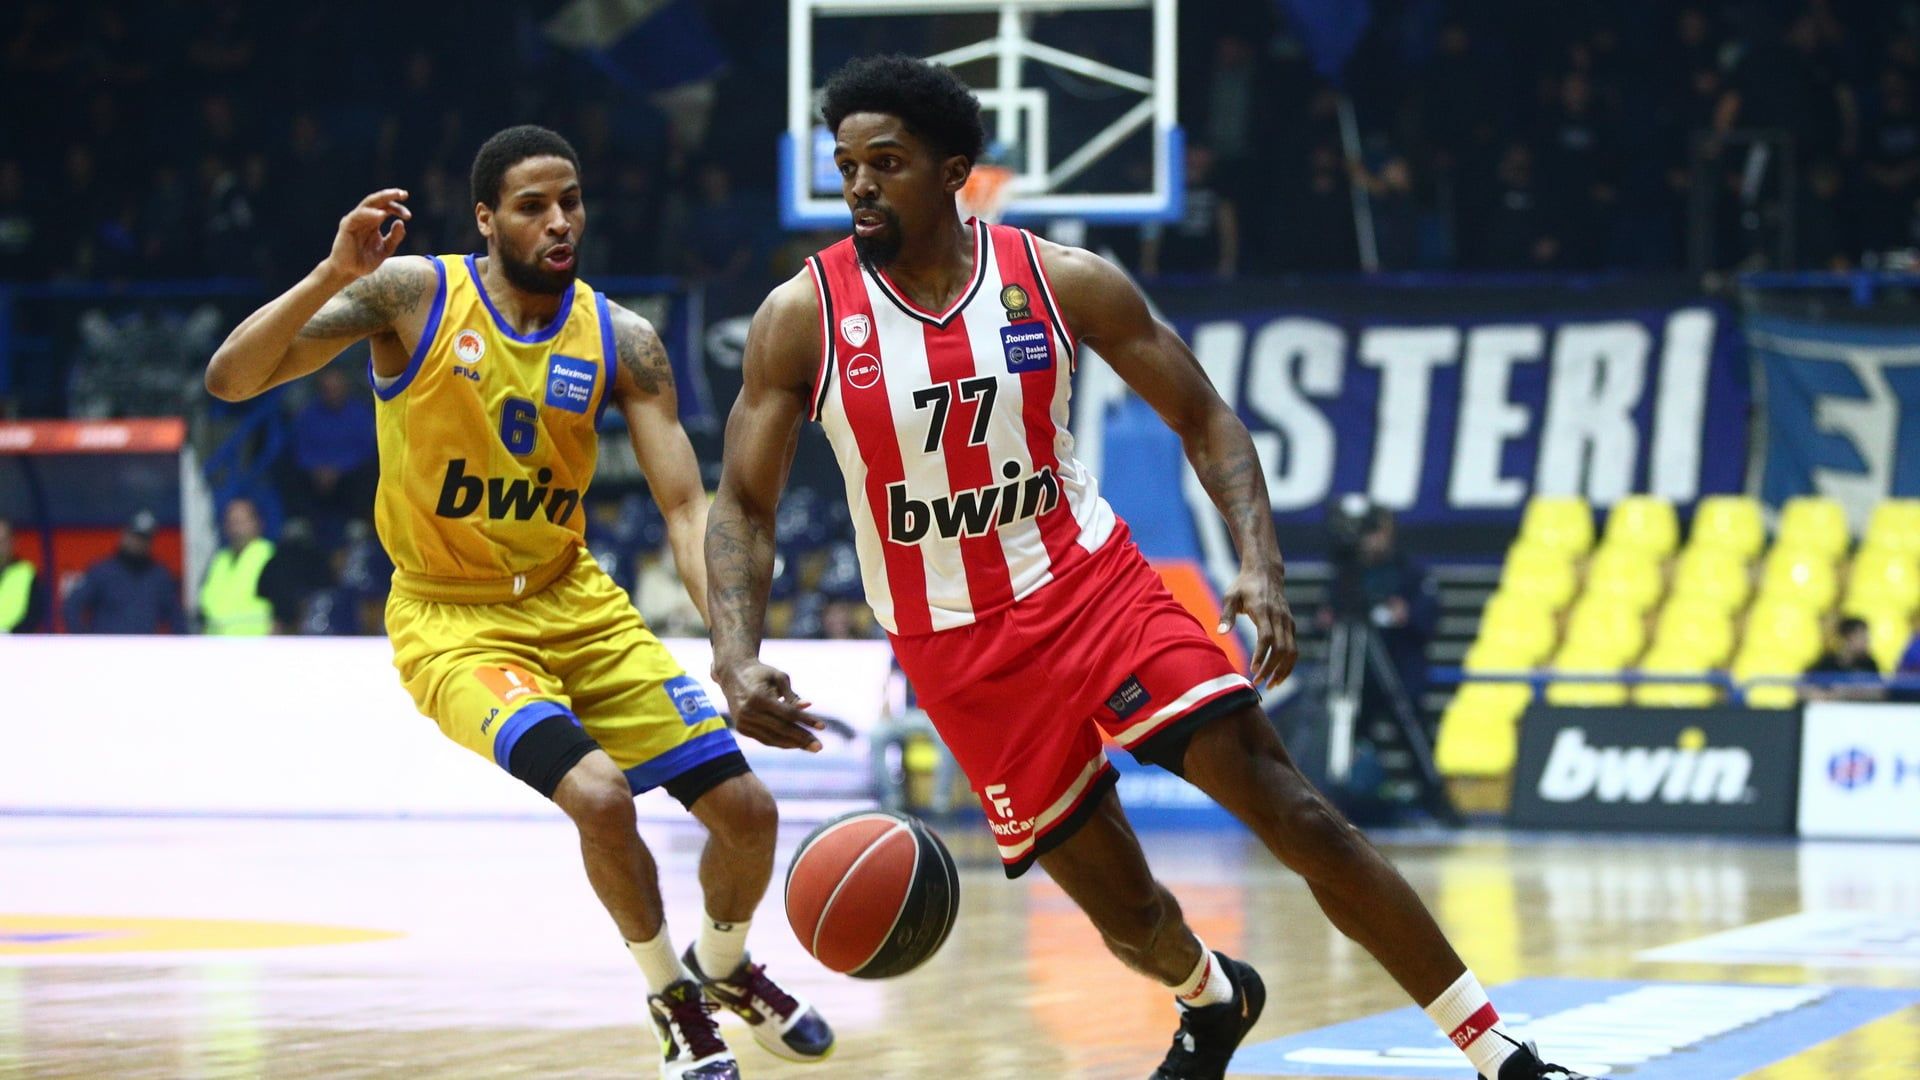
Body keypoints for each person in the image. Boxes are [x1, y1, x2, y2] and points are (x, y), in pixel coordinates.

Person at [705, 56, 1590, 1080]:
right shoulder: (803, 316)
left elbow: (1206, 418)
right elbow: (745, 505)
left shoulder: (1059, 281)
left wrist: (1260, 564)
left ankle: (1497, 1052)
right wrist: (736, 654)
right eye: (847, 166)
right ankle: (1214, 998)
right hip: (955, 648)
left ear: (953, 173)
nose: (860, 186)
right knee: (1128, 917)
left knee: (1296, 813)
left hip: (1094, 592)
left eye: (886, 164)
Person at [203, 125, 829, 1080]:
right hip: (452, 619)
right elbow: (231, 378)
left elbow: (683, 506)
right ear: (488, 220)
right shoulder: (412, 295)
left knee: (747, 812)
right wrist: (333, 274)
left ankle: (725, 964)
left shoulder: (624, 339)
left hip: (574, 600)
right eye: (533, 206)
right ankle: (671, 998)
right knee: (599, 795)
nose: (559, 220)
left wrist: (734, 654)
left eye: (570, 201)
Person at [63, 511, 185, 635]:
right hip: (108, 645)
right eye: (135, 536)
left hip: (144, 646)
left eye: (144, 538)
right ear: (124, 535)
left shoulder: (159, 576)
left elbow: (176, 617)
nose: (138, 543)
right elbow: (72, 605)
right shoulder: (102, 571)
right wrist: (83, 640)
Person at [199, 496, 276, 636]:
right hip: (216, 645)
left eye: (242, 522)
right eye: (232, 522)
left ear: (258, 523)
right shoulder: (220, 560)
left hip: (256, 644)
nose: (237, 529)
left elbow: (283, 610)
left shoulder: (269, 557)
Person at [1805, 616, 1885, 702]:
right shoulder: (1827, 663)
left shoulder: (1869, 664)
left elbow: (1881, 692)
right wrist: (1830, 695)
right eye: (1861, 637)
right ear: (1847, 638)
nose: (1867, 642)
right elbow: (1805, 687)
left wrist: (1851, 692)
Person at [0, 516, 49, 633]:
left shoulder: (26, 572)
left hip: (15, 641)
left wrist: (11, 634)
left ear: (13, 542)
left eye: (3, 541)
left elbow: (36, 613)